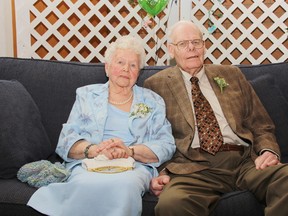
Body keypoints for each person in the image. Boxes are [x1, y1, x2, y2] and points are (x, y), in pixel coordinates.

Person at [144, 20, 288, 216]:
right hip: (193, 168)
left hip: (244, 160)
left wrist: (268, 151)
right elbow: (149, 136)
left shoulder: (231, 74)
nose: (191, 48)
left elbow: (261, 124)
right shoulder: (156, 85)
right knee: (172, 205)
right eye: (183, 44)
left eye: (196, 42)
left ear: (204, 46)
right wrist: (156, 173)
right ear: (171, 50)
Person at [27, 35, 176, 216]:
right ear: (107, 67)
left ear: (139, 72)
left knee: (125, 186)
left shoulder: (152, 101)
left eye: (133, 65)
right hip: (91, 162)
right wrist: (95, 149)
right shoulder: (87, 95)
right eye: (120, 62)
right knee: (84, 183)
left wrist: (129, 151)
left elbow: (166, 144)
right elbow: (67, 139)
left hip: (133, 166)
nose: (125, 69)